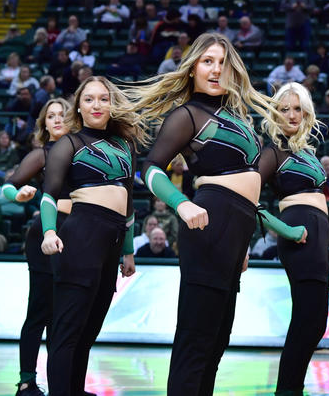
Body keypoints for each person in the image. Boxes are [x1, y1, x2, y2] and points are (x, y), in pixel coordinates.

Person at [128, 32, 306, 396]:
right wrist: (182, 202)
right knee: (197, 336)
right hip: (208, 222)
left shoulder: (237, 117)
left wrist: (242, 244)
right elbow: (151, 169)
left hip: (235, 231)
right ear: (192, 67)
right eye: (207, 61)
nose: (215, 69)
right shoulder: (188, 115)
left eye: (223, 62)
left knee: (218, 336)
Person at [39, 78, 141, 396]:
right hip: (81, 236)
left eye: (103, 99)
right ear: (79, 106)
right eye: (90, 99)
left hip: (112, 243)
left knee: (89, 328)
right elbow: (49, 196)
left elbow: (129, 205)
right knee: (68, 329)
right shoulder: (68, 144)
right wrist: (49, 231)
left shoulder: (125, 147)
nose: (97, 105)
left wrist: (128, 252)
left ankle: (75, 390)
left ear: (112, 105)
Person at [258, 82, 329, 396]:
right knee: (308, 320)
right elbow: (245, 198)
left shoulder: (305, 149)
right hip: (298, 232)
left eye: (297, 108)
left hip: (316, 234)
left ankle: (290, 388)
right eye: (283, 109)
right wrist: (283, 230)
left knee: (314, 321)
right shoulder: (273, 151)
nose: (291, 114)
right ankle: (287, 390)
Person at [0, 98, 71, 396]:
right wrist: (19, 195)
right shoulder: (41, 154)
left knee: (66, 315)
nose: (56, 120)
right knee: (40, 311)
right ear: (44, 123)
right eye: (50, 116)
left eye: (62, 115)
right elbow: (7, 186)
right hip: (45, 236)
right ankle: (27, 381)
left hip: (79, 236)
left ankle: (63, 383)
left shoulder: (85, 151)